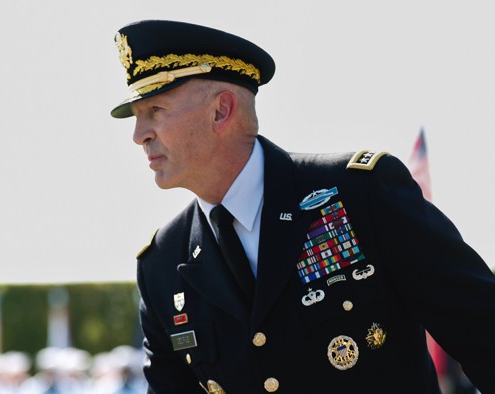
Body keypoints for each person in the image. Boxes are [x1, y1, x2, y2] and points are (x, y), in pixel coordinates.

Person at [109, 20, 495, 393]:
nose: (138, 134)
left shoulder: (360, 193)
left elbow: (483, 329)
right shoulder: (162, 265)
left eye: (155, 110)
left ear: (221, 111)